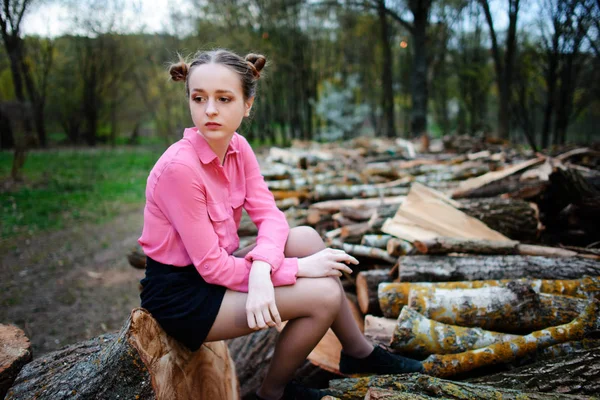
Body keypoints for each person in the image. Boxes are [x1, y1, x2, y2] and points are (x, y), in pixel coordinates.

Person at [137, 49, 423, 400]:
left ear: (247, 104)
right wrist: (296, 268)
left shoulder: (238, 148)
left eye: (224, 98)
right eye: (199, 98)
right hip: (183, 299)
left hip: (212, 275)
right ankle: (272, 394)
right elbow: (211, 267)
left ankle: (358, 352)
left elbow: (271, 216)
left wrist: (262, 270)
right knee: (325, 295)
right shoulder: (179, 170)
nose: (210, 109)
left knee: (304, 236)